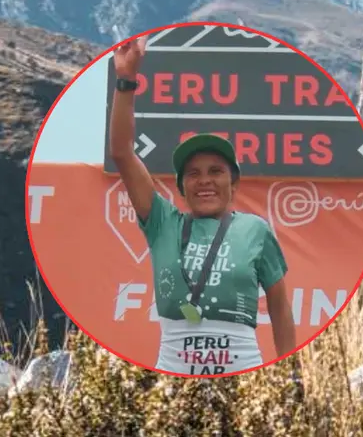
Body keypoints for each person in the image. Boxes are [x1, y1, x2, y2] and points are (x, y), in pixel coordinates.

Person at [108, 35, 297, 376]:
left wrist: (289, 377)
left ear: (233, 183)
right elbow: (122, 152)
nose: (204, 180)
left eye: (216, 172)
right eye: (193, 173)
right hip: (172, 384)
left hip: (244, 380)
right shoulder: (163, 221)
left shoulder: (254, 229)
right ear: (181, 188)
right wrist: (126, 80)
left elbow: (281, 308)